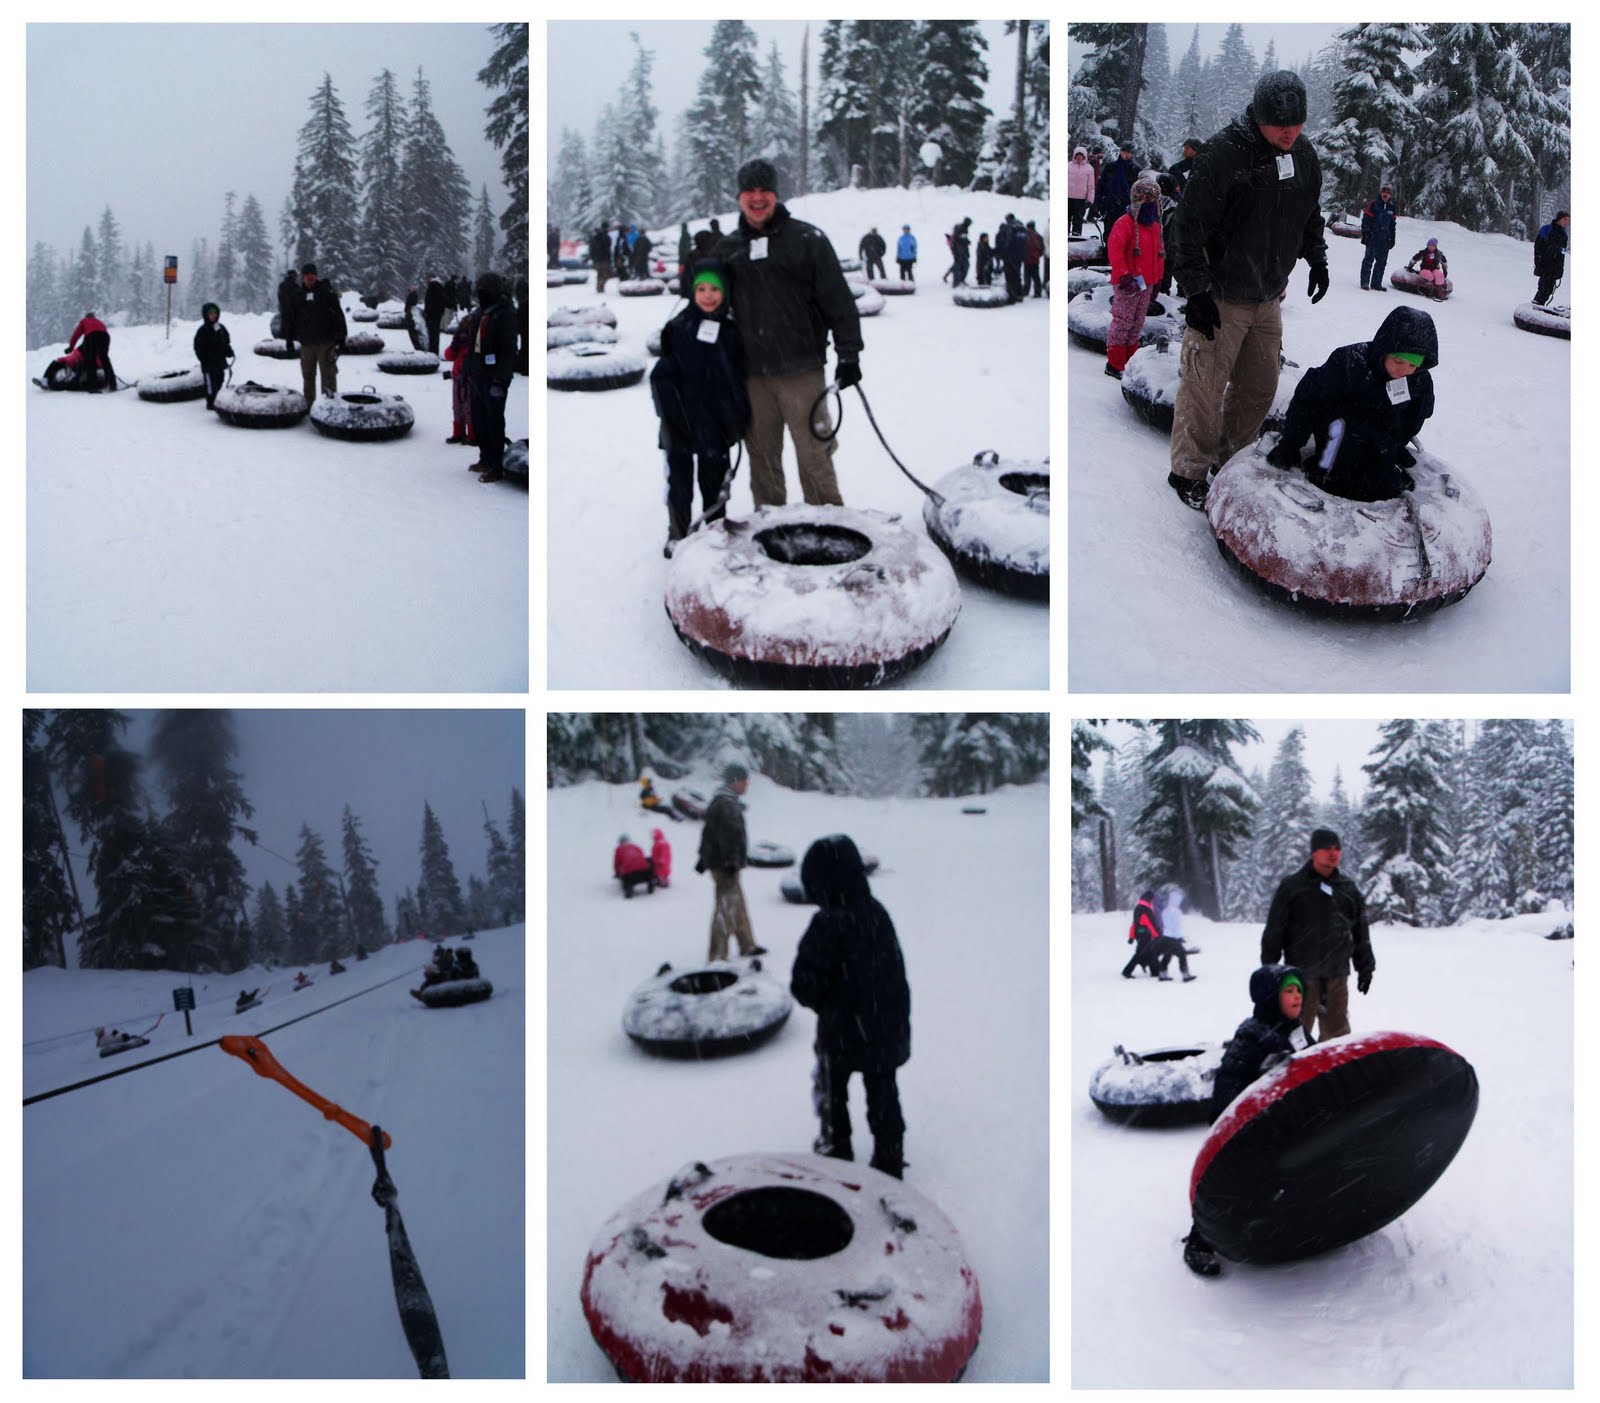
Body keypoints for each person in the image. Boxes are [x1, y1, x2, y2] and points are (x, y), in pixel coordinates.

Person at [1168, 70, 1328, 510]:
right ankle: (1188, 471)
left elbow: (1310, 212)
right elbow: (1186, 228)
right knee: (1204, 387)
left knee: (1259, 386)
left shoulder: (1303, 154)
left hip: (1268, 296)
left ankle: (1231, 461)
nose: (1290, 132)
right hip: (1221, 294)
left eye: (1297, 124)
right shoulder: (1224, 153)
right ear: (1258, 116)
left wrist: (1317, 257)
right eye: (1281, 125)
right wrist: (1196, 290)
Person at [715, 158, 862, 509]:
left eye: (765, 190)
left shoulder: (807, 239)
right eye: (749, 191)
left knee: (815, 453)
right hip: (751, 376)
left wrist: (849, 353)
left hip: (802, 371)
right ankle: (771, 527)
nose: (757, 197)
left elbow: (837, 299)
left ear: (776, 195)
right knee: (762, 460)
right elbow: (710, 309)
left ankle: (829, 523)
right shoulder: (728, 250)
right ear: (738, 197)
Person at [790, 834, 911, 1179]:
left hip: (842, 1032)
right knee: (883, 1089)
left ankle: (836, 1152)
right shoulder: (876, 913)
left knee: (832, 1090)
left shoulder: (827, 924)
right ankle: (889, 1157)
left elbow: (804, 985)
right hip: (884, 1026)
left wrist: (828, 1003)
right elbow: (893, 971)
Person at [1181, 965, 1314, 1276]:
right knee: (1234, 1183)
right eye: (1288, 991)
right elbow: (1226, 1091)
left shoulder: (1299, 1031)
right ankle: (1199, 1238)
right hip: (1252, 1130)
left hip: (1288, 1124)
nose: (1297, 997)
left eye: (1299, 991)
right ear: (1270, 997)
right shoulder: (1250, 1037)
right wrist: (1262, 1080)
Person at [1265, 305, 1436, 502]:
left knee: (1381, 483)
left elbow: (1416, 415)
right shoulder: (1350, 362)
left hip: (1379, 441)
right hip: (1337, 435)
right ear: (1385, 350)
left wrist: (1397, 443)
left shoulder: (1418, 379)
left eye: (1413, 365)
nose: (1404, 371)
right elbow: (1308, 399)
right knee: (1333, 473)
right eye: (1398, 361)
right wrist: (1291, 443)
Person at [649, 259, 751, 553]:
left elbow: (738, 378)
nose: (708, 295)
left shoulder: (732, 331)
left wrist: (738, 415)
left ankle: (714, 531)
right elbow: (663, 376)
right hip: (679, 423)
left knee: (714, 483)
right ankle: (677, 533)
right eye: (702, 289)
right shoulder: (678, 327)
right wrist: (672, 413)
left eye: (715, 289)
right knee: (680, 485)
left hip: (716, 424)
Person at [1258, 828, 1374, 1042]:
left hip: (1337, 976)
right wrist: (1270, 971)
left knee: (1337, 1040)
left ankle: (1335, 1075)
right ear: (1314, 852)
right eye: (1327, 848)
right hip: (1301, 977)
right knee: (1294, 1038)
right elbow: (1275, 930)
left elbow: (1360, 932)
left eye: (1337, 849)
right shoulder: (1293, 887)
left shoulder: (1347, 889)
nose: (1333, 853)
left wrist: (1365, 967)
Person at [696, 762, 764, 961]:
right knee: (726, 908)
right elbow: (729, 836)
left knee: (737, 904)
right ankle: (717, 956)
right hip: (725, 865)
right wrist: (731, 861)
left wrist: (704, 858)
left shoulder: (722, 801)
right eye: (744, 781)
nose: (747, 785)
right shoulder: (726, 804)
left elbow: (708, 834)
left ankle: (747, 945)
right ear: (734, 781)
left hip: (722, 863)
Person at [1103, 177, 1165, 379]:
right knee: (1122, 322)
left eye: (1153, 198)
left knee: (1137, 323)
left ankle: (1130, 362)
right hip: (1128, 283)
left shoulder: (1154, 226)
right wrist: (1123, 275)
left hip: (1145, 283)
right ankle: (1115, 364)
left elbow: (1158, 255)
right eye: (1146, 197)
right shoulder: (1125, 223)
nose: (1150, 201)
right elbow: (1115, 250)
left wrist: (1157, 280)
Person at [467, 272, 518, 484]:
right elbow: (473, 344)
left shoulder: (505, 314)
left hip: (495, 377)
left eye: (484, 291)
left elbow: (509, 350)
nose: (480, 295)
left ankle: (496, 465)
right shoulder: (480, 312)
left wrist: (500, 380)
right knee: (479, 420)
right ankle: (484, 457)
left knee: (494, 421)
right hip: (478, 374)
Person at [283, 262, 347, 404]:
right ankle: (309, 405)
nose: (310, 277)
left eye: (313, 274)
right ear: (302, 277)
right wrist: (289, 340)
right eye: (307, 274)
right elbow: (291, 318)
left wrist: (341, 339)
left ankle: (328, 406)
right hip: (306, 345)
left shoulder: (326, 292)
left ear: (316, 276)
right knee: (308, 377)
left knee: (328, 378)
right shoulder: (298, 295)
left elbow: (338, 316)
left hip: (326, 343)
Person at [443, 310, 476, 447]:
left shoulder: (474, 345)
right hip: (457, 378)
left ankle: (472, 435)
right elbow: (448, 356)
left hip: (469, 379)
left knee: (469, 408)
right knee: (457, 407)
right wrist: (454, 346)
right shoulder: (459, 345)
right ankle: (458, 432)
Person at [192, 302, 234, 411]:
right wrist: (204, 358)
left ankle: (218, 399)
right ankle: (211, 402)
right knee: (210, 384)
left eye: (215, 313)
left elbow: (225, 342)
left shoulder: (220, 327)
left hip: (220, 362)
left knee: (220, 380)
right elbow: (198, 347)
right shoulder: (203, 330)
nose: (213, 315)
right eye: (210, 313)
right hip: (208, 364)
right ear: (206, 315)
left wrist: (228, 351)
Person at [1360, 184, 1399, 291]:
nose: (1385, 194)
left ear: (1390, 195)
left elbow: (1392, 224)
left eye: (1388, 192)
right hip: (1373, 237)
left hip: (1384, 239)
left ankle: (1376, 283)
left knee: (1381, 262)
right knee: (1368, 260)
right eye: (1384, 192)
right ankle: (1364, 282)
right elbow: (1365, 220)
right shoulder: (1373, 205)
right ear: (1381, 193)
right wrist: (1366, 234)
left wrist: (1392, 237)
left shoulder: (1392, 207)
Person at [66, 310, 116, 392]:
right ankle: (112, 384)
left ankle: (92, 385)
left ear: (86, 317)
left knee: (90, 360)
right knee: (104, 359)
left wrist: (71, 348)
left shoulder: (84, 321)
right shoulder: (99, 322)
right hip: (105, 336)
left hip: (92, 335)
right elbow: (103, 331)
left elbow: (76, 335)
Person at [1121, 888, 1162, 978]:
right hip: (1145, 934)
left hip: (1139, 934)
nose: (1153, 901)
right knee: (1141, 954)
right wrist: (1158, 933)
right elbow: (1151, 924)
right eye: (1152, 899)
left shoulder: (1138, 908)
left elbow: (1134, 923)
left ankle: (1155, 971)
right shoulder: (1146, 909)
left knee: (1151, 952)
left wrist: (1131, 936)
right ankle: (1127, 971)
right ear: (1149, 899)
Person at [1097, 143, 1141, 227]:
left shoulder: (1136, 170)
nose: (1125, 154)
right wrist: (1098, 201)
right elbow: (1101, 185)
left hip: (1127, 205)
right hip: (1110, 204)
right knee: (1109, 231)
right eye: (1123, 151)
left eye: (1128, 152)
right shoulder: (1110, 167)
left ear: (1132, 154)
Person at [1533, 210, 1569, 305]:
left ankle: (1539, 307)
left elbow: (1562, 254)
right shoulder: (1546, 229)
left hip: (1555, 268)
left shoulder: (1564, 235)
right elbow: (1538, 247)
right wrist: (1539, 262)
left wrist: (1560, 269)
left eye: (1568, 220)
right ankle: (1535, 306)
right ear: (1559, 219)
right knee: (1543, 288)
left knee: (1549, 289)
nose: (1567, 222)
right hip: (1545, 265)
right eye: (1565, 219)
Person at [613, 833, 658, 898]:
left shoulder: (619, 849)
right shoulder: (635, 846)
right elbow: (642, 856)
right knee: (649, 860)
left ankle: (628, 887)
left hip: (630, 874)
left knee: (622, 869)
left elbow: (616, 863)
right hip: (644, 872)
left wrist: (617, 873)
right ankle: (651, 880)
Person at [1067, 146, 1097, 236]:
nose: (1079, 157)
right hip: (1067, 198)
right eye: (1077, 155)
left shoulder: (1089, 168)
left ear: (1084, 156)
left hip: (1081, 200)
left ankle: (1076, 237)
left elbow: (1091, 186)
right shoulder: (1067, 166)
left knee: (1078, 220)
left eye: (1081, 155)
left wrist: (1090, 200)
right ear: (1074, 156)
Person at [277, 269, 301, 355]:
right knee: (292, 331)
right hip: (293, 312)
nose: (297, 277)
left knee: (286, 330)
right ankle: (291, 348)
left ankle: (288, 347)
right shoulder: (295, 286)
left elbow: (281, 298)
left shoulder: (282, 285)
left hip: (285, 312)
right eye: (295, 276)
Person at [423, 273, 446, 354]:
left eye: (426, 278)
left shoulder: (433, 286)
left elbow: (430, 301)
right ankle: (434, 350)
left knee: (432, 333)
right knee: (435, 333)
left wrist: (427, 312)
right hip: (437, 313)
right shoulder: (439, 286)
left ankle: (432, 351)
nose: (425, 281)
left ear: (430, 278)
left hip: (432, 314)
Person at [1023, 220, 1046, 298]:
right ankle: (1037, 292)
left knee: (1027, 276)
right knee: (1036, 277)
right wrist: (1038, 255)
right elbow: (1042, 248)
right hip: (1035, 260)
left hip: (1027, 259)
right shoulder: (1038, 236)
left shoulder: (1025, 235)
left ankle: (1026, 291)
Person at [590, 222, 614, 290]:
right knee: (605, 273)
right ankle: (600, 285)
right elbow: (607, 248)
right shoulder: (606, 237)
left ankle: (599, 285)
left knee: (600, 273)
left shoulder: (595, 236)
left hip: (597, 259)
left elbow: (592, 247)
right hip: (604, 258)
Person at [949, 218, 972, 286]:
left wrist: (967, 242)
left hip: (963, 251)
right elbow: (959, 241)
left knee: (965, 266)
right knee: (958, 266)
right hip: (958, 252)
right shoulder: (960, 230)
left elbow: (964, 240)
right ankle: (956, 282)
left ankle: (961, 280)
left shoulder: (964, 229)